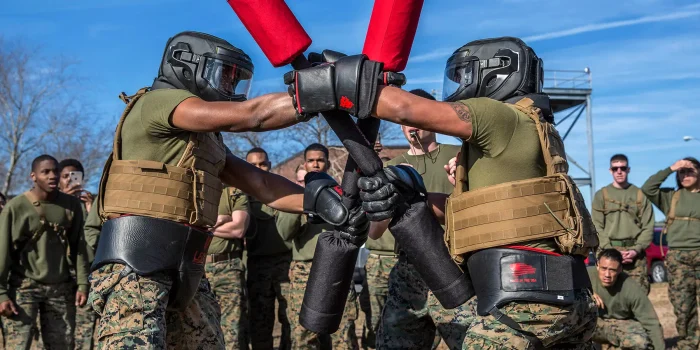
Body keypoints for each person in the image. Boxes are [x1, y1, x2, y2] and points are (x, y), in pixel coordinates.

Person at [285, 36, 599, 348]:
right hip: (559, 296)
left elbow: (404, 109)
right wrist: (414, 200)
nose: (459, 86)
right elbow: (487, 214)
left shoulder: (501, 117)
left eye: (464, 75)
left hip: (528, 304)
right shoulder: (529, 131)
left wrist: (336, 79)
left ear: (495, 74)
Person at [88, 31, 306, 349]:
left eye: (237, 80)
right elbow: (252, 116)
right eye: (226, 75)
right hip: (136, 269)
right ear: (185, 64)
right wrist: (322, 94)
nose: (231, 88)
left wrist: (327, 201)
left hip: (186, 267)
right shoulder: (159, 101)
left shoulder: (207, 140)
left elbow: (262, 185)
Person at [366, 89, 461, 349]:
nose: (411, 126)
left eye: (418, 117)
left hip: (456, 265)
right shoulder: (391, 168)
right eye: (405, 120)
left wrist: (419, 199)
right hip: (408, 268)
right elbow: (374, 232)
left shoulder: (460, 155)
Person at [0, 155, 88, 348]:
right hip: (24, 286)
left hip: (60, 287)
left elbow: (79, 248)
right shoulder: (16, 207)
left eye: (55, 171)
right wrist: (1, 294)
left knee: (61, 345)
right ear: (33, 176)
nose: (52, 176)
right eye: (45, 172)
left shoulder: (72, 205)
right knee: (18, 346)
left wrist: (82, 283)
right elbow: (2, 253)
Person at [279, 144, 358, 350]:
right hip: (304, 270)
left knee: (344, 335)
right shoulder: (295, 194)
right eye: (311, 160)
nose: (316, 164)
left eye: (320, 160)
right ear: (305, 163)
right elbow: (285, 234)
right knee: (303, 336)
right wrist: (304, 199)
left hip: (337, 267)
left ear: (328, 163)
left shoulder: (341, 195)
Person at [642, 157, 700, 350]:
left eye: (689, 171)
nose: (685, 175)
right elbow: (648, 188)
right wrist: (671, 168)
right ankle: (688, 343)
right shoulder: (671, 197)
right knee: (683, 307)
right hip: (678, 259)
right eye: (681, 172)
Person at [244, 147, 294, 350]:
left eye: (262, 163)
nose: (258, 167)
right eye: (253, 165)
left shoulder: (281, 188)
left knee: (289, 318)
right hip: (257, 265)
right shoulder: (241, 194)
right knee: (260, 321)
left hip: (285, 263)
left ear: (270, 165)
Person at [592, 154, 654, 294]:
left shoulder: (640, 195)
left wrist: (635, 250)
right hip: (609, 252)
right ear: (610, 171)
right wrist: (610, 251)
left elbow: (648, 226)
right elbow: (597, 226)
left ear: (628, 170)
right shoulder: (601, 195)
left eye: (623, 168)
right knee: (607, 295)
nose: (619, 171)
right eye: (615, 168)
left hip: (635, 255)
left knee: (638, 295)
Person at [57, 158, 98, 349]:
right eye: (64, 176)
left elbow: (98, 238)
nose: (69, 180)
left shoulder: (95, 202)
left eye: (73, 176)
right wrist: (64, 202)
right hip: (60, 273)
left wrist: (92, 209)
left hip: (88, 272)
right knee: (60, 327)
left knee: (85, 328)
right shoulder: (53, 204)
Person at [589, 249, 664, 349]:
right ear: (597, 265)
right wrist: (587, 293)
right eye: (603, 268)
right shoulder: (583, 276)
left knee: (640, 342)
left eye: (612, 270)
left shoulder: (631, 287)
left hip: (619, 325)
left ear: (620, 269)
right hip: (591, 323)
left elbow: (651, 323)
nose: (607, 275)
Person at [206, 186, 250, 349]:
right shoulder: (196, 187)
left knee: (232, 331)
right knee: (201, 329)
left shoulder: (234, 192)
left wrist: (207, 226)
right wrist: (222, 220)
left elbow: (238, 229)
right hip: (198, 269)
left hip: (228, 268)